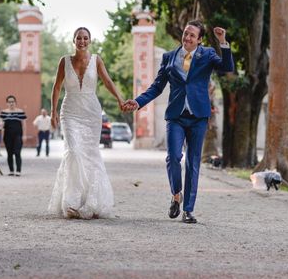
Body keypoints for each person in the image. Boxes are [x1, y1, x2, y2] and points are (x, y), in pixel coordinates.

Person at [123, 21, 234, 224]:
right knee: (173, 156)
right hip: (175, 116)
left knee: (193, 163)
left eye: (192, 35)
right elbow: (157, 87)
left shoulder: (207, 54)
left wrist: (223, 43)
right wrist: (138, 102)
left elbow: (226, 67)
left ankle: (188, 210)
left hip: (198, 116)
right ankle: (176, 194)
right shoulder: (169, 57)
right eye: (185, 34)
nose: (187, 38)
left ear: (199, 39)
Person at [48, 26, 124, 219]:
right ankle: (71, 202)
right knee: (73, 152)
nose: (82, 41)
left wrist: (120, 100)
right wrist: (53, 112)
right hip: (70, 111)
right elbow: (57, 87)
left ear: (89, 40)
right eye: (78, 38)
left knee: (90, 155)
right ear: (73, 41)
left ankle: (92, 202)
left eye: (85, 38)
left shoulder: (96, 60)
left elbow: (107, 81)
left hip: (91, 113)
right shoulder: (64, 61)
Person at [0, 96, 27, 176]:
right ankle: (11, 170)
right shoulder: (4, 113)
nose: (11, 103)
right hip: (7, 136)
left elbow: (24, 124)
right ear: (7, 103)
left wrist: (24, 135)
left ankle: (18, 171)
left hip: (18, 135)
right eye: (9, 102)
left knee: (17, 152)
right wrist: (1, 136)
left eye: (13, 101)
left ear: (15, 103)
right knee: (9, 153)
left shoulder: (20, 112)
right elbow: (2, 126)